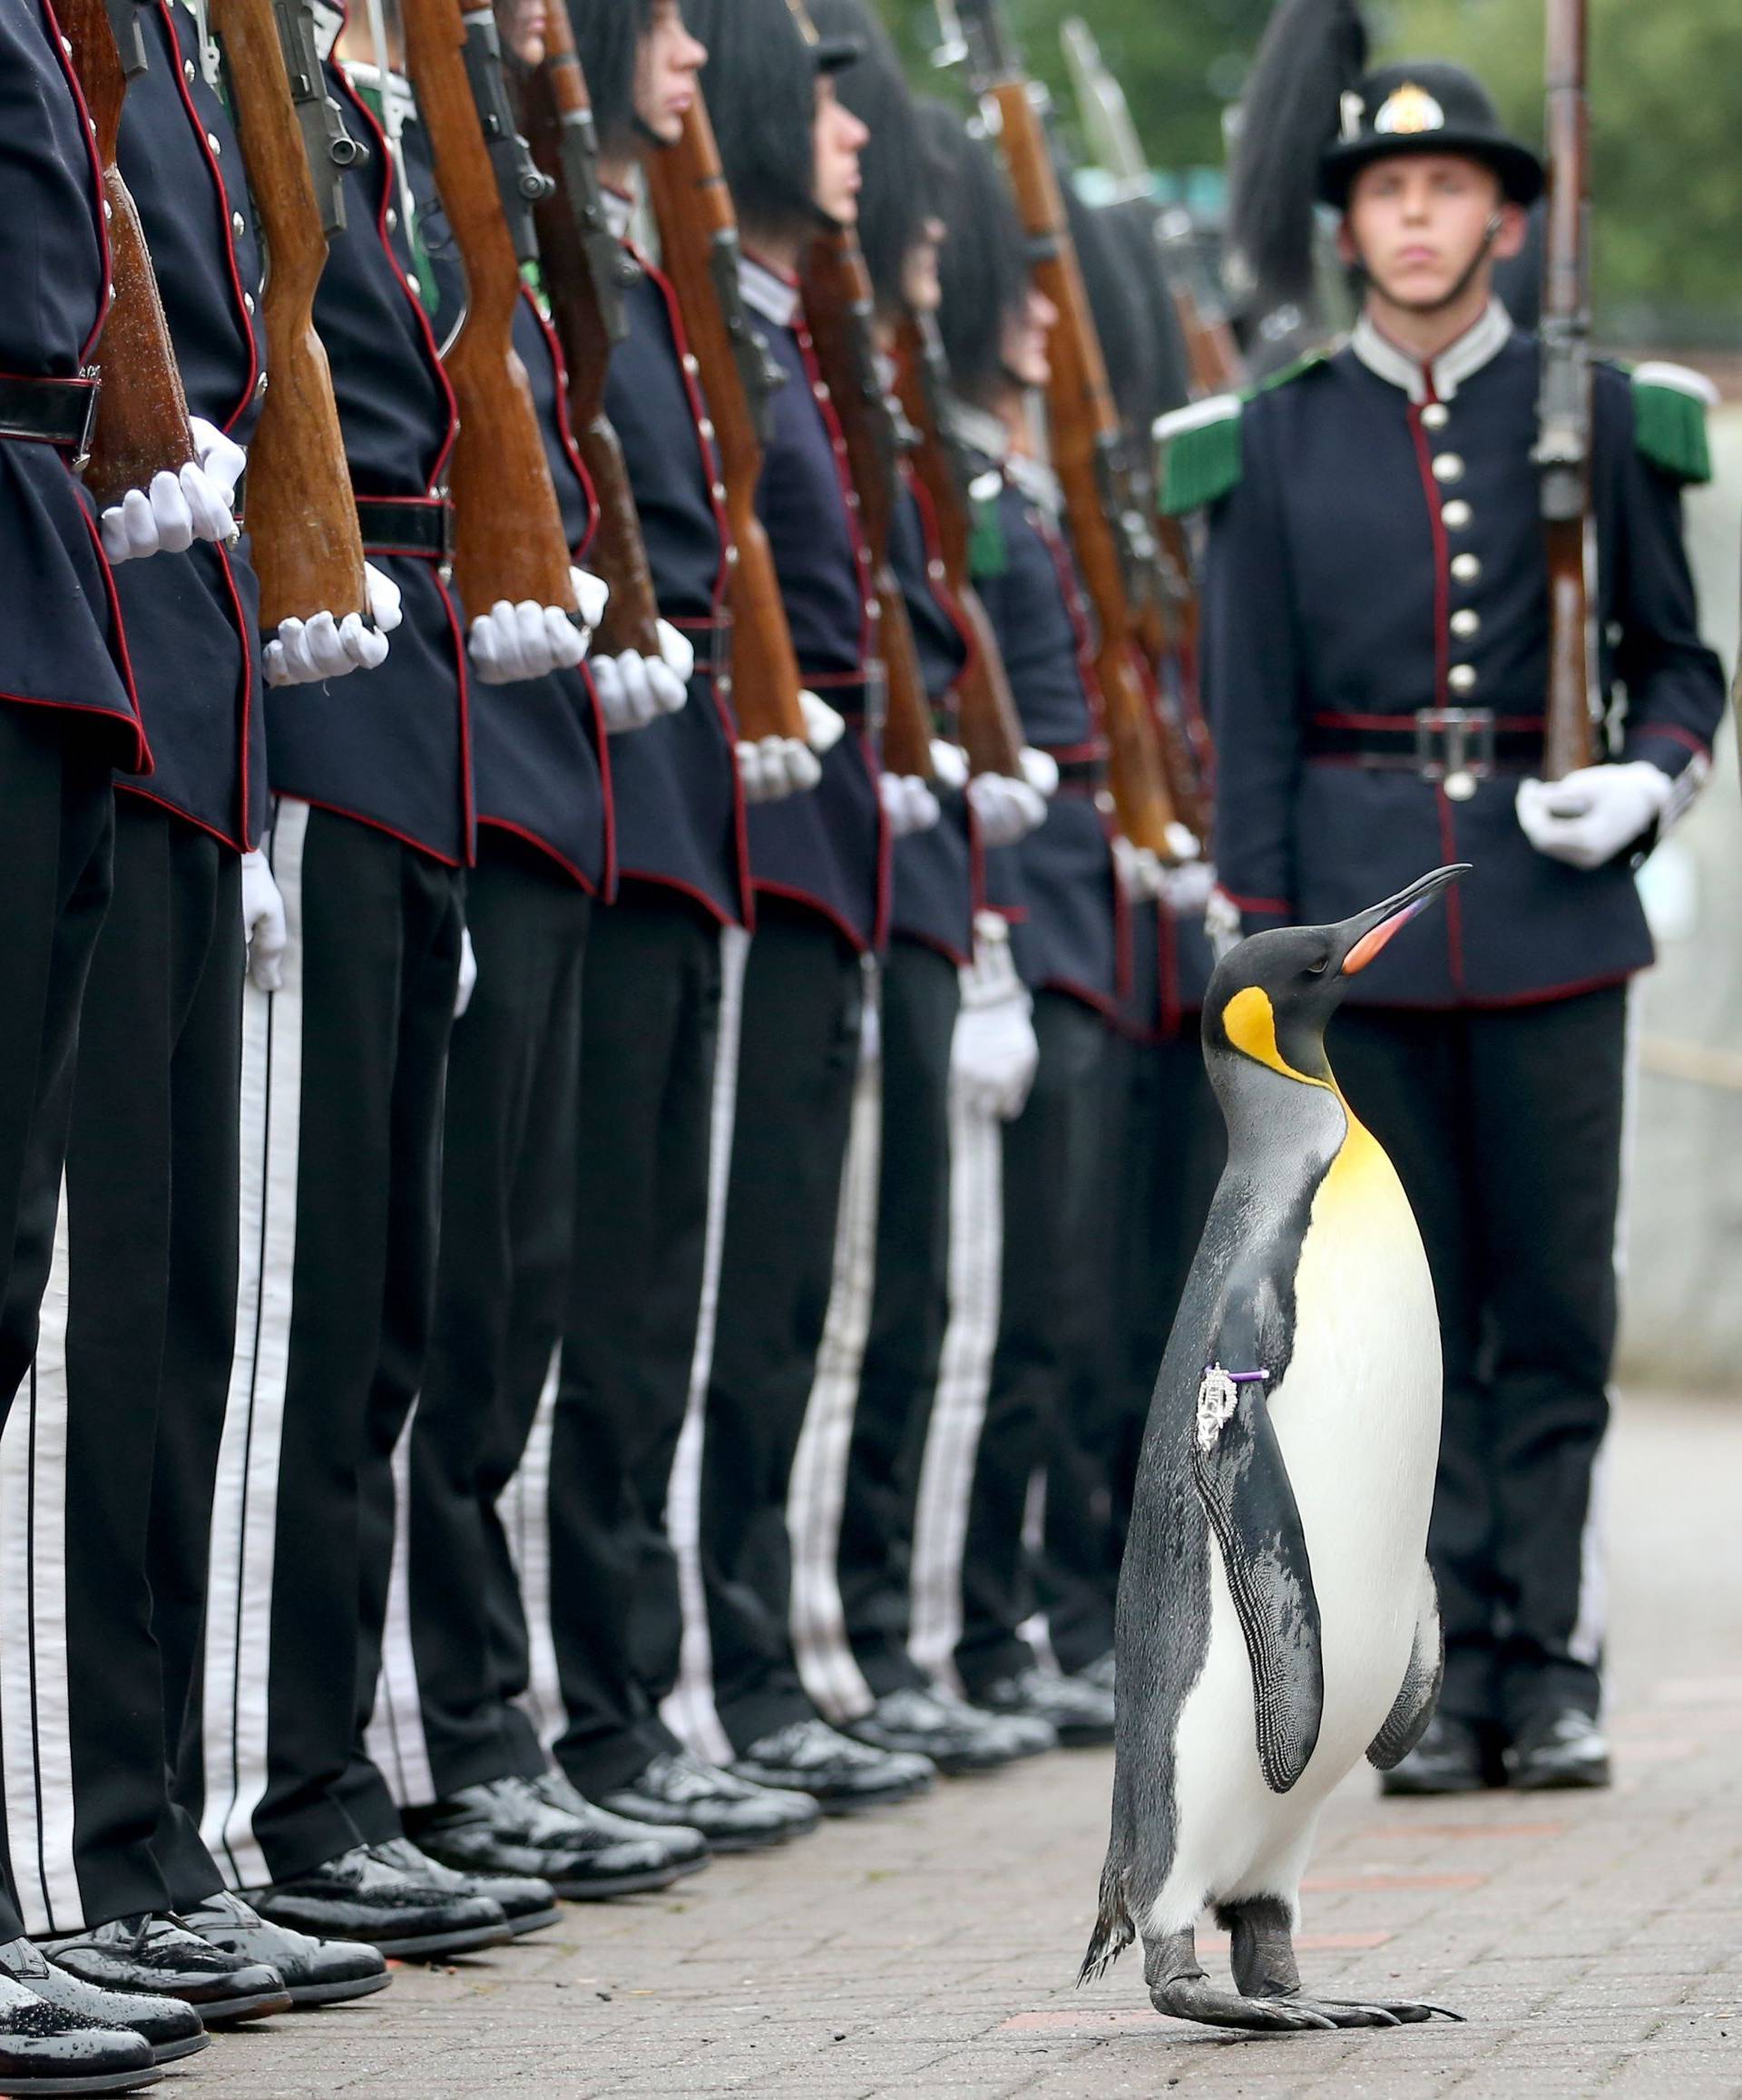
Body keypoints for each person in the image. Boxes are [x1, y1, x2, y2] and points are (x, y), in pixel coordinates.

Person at [1173, 3, 1725, 1792]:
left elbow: (1678, 666)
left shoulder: (1610, 420)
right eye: (1389, 190)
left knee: (1552, 1307)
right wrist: (1261, 954)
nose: (1419, 220)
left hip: (1554, 918)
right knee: (1390, 1326)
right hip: (1360, 932)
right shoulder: (1270, 440)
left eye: (1452, 189)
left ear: (1504, 217)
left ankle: (1541, 1657)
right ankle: (1415, 1659)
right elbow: (1244, 719)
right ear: (1349, 224)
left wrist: (1645, 779)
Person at [185, 0, 589, 1956]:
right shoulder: (252, 78)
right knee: (287, 1306)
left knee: (387, 1313)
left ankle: (330, 1779)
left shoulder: (378, 109)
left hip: (414, 724)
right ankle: (260, 1798)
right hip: (315, 726)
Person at [14, 0, 400, 2025]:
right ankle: (82, 1849)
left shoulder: (177, 45)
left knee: (181, 1325)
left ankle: (145, 1842)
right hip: (100, 657)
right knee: (75, 1320)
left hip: (173, 691)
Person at [368, 0, 763, 1885]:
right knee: (462, 1308)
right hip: (461, 765)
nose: (683, 55)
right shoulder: (452, 185)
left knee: (581, 1299)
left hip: (597, 795)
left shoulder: (587, 249)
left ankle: (567, 1710)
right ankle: (457, 1726)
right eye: (657, 22)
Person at [481, 0, 824, 1859]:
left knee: (654, 1310)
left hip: (674, 814)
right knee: (537, 1295)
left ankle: (621, 1703)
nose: (688, 58)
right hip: (564, 794)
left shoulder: (634, 268)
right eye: (666, 25)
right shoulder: (551, 239)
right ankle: (552, 1714)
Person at [673, 0, 941, 1812]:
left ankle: (760, 1666)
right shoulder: (714, 337)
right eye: (825, 108)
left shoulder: (793, 346)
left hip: (827, 856)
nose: (854, 144)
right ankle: (700, 1679)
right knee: (705, 1294)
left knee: (794, 1296)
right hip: (742, 848)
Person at [797, 0, 1052, 1776]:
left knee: (965, 1320)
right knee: (823, 1316)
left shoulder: (956, 461)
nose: (1007, 294)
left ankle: (904, 1639)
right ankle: (815, 1653)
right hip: (811, 869)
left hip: (927, 895)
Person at [911, 108, 1123, 1747]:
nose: (1045, 314)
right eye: (1019, 284)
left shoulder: (1017, 484)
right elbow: (982, 720)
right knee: (992, 1309)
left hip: (1085, 931)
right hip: (1021, 926)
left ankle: (1020, 1614)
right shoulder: (969, 484)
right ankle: (976, 1626)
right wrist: (992, 935)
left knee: (1061, 1311)